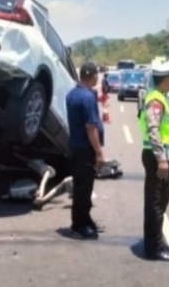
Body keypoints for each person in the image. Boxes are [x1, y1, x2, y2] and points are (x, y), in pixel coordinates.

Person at [138, 60, 169, 262]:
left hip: (163, 157)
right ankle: (153, 248)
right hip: (158, 158)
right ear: (165, 80)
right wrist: (162, 159)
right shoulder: (155, 100)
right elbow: (153, 129)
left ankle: (157, 239)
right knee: (155, 203)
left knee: (161, 201)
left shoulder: (162, 97)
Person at [66, 61, 106, 240]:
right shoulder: (88, 97)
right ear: (94, 76)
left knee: (83, 187)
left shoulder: (72, 94)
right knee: (83, 189)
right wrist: (99, 152)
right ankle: (78, 225)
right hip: (85, 149)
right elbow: (91, 127)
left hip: (75, 146)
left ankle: (85, 219)